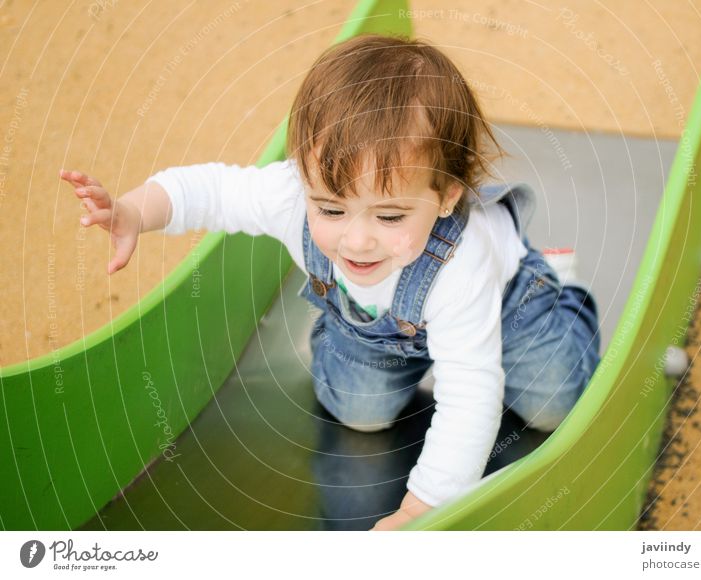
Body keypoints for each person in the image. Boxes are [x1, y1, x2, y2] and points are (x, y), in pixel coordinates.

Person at [60, 34, 600, 531]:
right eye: (331, 209)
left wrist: (421, 507)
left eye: (389, 217)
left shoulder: (462, 263)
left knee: (556, 401)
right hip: (376, 325)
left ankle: (558, 290)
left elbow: (471, 394)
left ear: (447, 197)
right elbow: (210, 190)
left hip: (505, 305)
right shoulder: (291, 196)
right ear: (304, 177)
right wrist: (135, 211)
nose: (356, 241)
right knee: (358, 414)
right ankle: (342, 337)